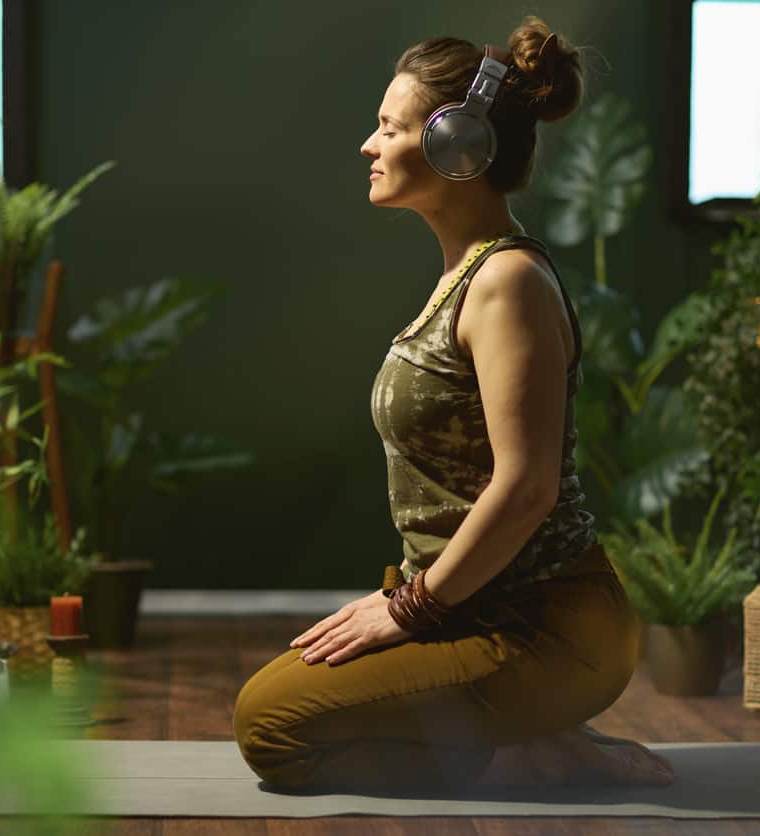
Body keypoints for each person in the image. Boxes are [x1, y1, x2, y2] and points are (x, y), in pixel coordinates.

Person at [232, 16, 676, 793]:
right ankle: (530, 738)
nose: (369, 146)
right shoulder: (468, 277)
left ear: (458, 146)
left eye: (388, 128)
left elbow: (528, 486)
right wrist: (406, 603)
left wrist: (405, 613)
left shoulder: (506, 285)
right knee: (270, 709)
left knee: (269, 729)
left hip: (546, 629)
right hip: (469, 609)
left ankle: (530, 746)